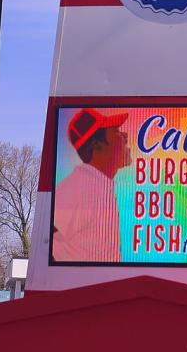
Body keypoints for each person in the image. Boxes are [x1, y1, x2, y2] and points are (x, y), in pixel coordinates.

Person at [52, 107, 131, 262]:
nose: (125, 136)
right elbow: (46, 242)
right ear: (97, 145)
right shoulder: (77, 187)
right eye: (116, 131)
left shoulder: (98, 182)